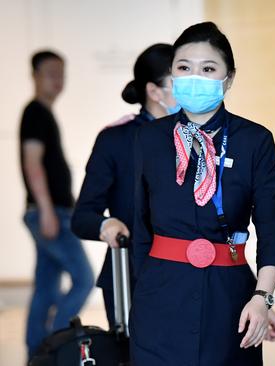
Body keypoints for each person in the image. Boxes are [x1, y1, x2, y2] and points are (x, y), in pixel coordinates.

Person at [129, 22, 275, 365]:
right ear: (172, 75)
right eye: (184, 68)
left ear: (228, 78)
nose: (195, 77)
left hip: (229, 297)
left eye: (208, 68)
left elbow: (273, 231)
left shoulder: (254, 140)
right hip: (159, 298)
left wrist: (262, 298)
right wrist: (144, 292)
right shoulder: (150, 138)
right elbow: (141, 226)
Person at [71, 43, 178, 328]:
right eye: (180, 77)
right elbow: (82, 217)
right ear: (154, 91)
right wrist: (107, 225)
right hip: (132, 276)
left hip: (190, 276)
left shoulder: (201, 136)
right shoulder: (116, 140)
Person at [20, 50, 94, 358]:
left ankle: (37, 353)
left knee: (46, 287)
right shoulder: (35, 112)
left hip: (51, 212)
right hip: (50, 214)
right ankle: (53, 347)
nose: (57, 79)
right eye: (50, 72)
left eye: (61, 72)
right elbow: (32, 163)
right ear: (35, 75)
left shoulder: (43, 113)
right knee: (84, 279)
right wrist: (48, 210)